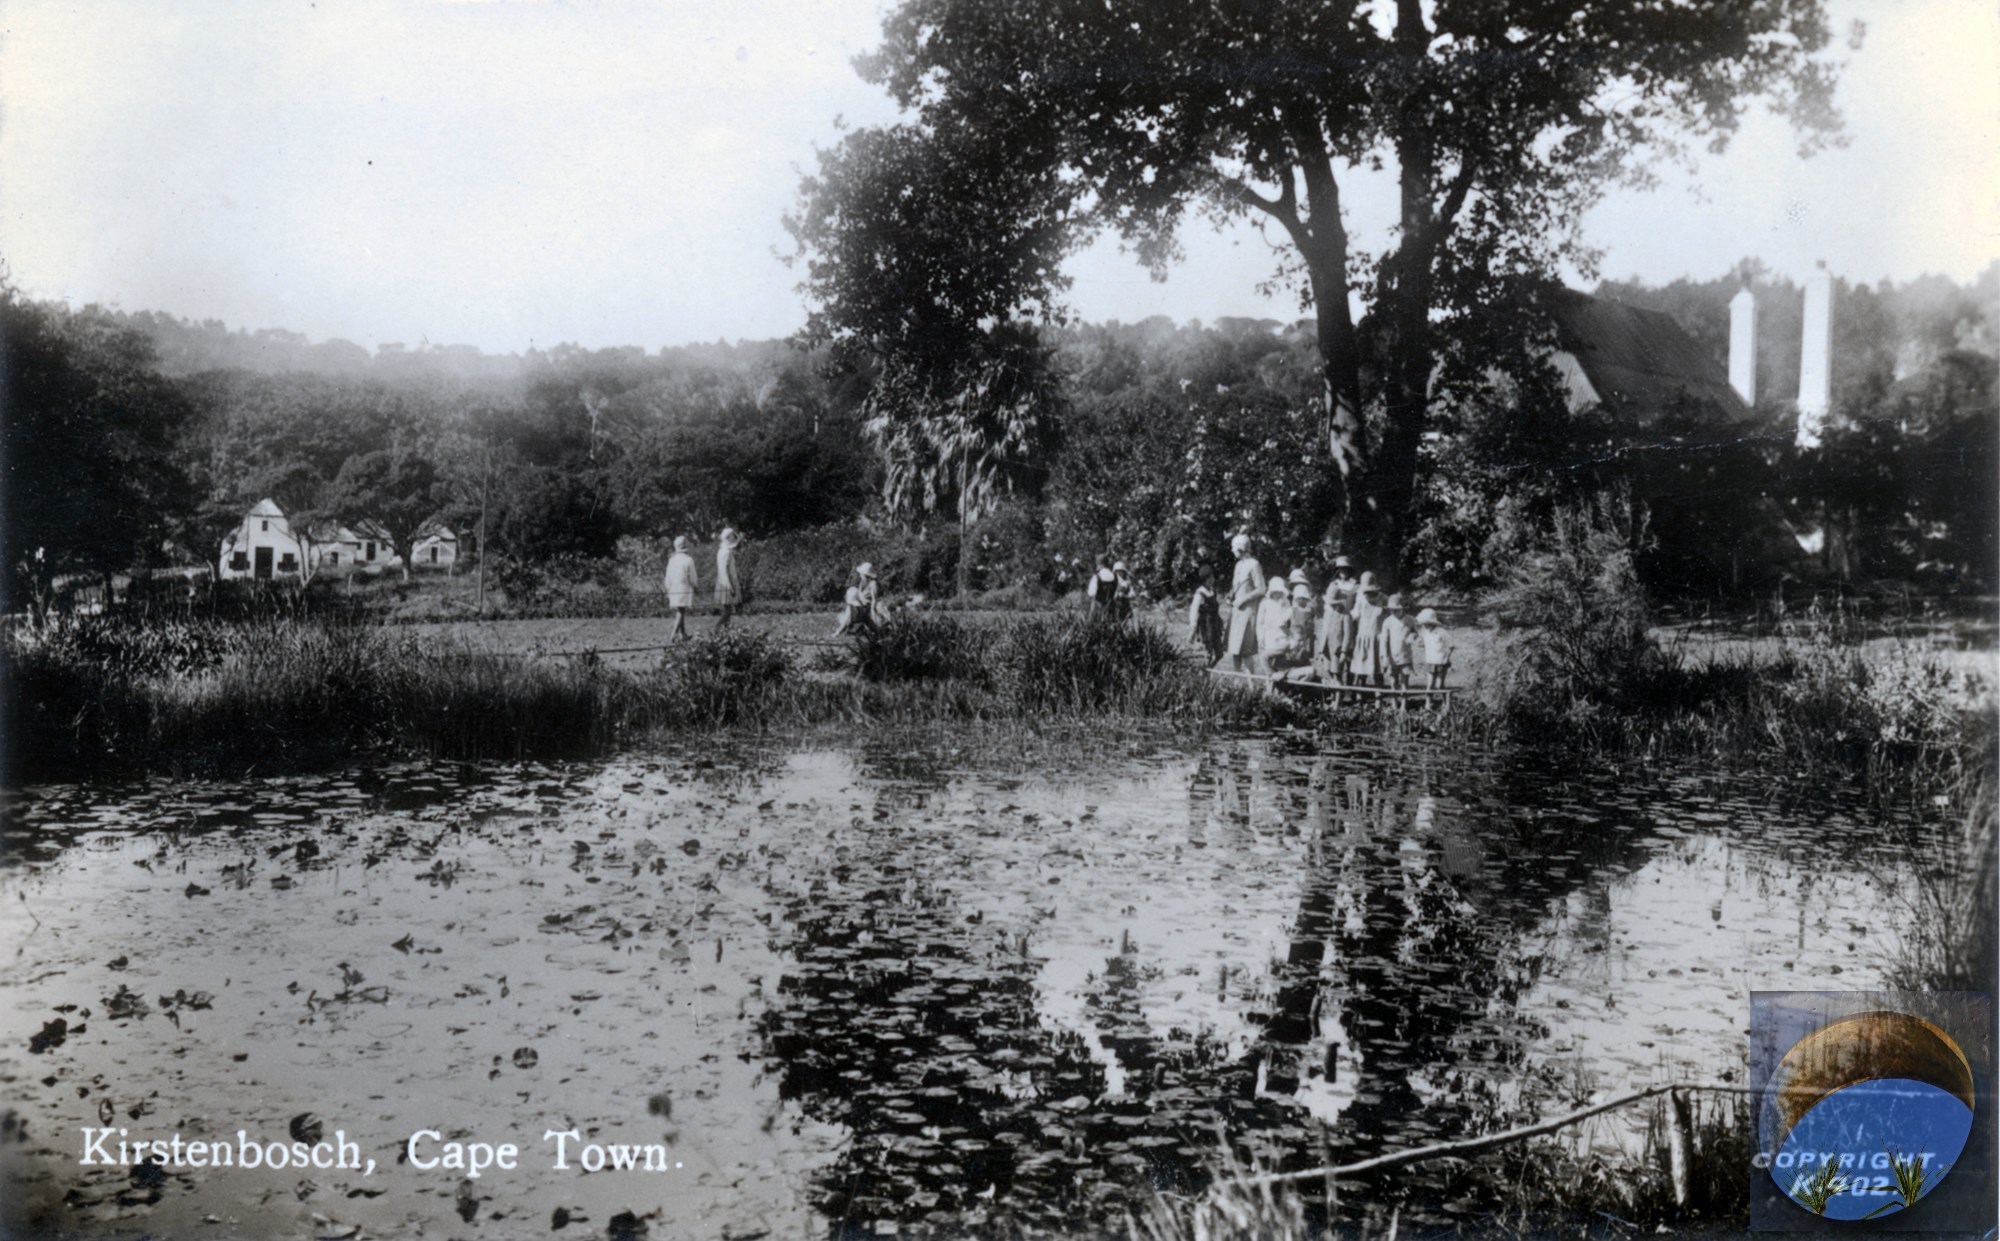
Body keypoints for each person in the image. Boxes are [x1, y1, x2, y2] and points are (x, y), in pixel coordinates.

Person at [1225, 534, 1264, 673]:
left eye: (1234, 547)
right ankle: (1237, 684)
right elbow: (1236, 587)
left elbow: (1261, 589)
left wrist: (1243, 599)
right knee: (1234, 649)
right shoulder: (1238, 565)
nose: (1232, 550)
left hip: (1248, 610)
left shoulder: (1254, 564)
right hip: (1236, 611)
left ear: (1241, 548)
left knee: (1246, 650)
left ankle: (1251, 685)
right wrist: (1230, 596)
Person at [1315, 575, 1356, 684]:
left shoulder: (1345, 615)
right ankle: (1332, 696)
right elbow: (1323, 631)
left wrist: (1344, 651)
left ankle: (1338, 699)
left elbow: (1348, 635)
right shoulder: (1328, 613)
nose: (1333, 606)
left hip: (1337, 650)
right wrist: (1320, 651)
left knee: (1337, 673)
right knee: (1328, 672)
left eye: (1335, 604)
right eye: (1331, 604)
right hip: (1327, 649)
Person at [1349, 572, 1386, 686]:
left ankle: (1379, 696)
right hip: (1363, 637)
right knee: (1361, 669)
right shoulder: (1360, 598)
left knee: (1377, 669)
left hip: (1377, 638)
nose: (1368, 594)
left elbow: (1390, 618)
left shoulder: (1383, 598)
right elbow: (1354, 615)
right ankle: (1360, 695)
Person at [1255, 576, 1295, 676]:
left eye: (1280, 592)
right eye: (1275, 592)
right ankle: (1269, 682)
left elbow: (1286, 619)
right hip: (1269, 634)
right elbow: (1260, 623)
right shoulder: (1265, 603)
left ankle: (1280, 685)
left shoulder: (1286, 602)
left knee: (1280, 661)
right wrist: (1260, 638)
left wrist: (1285, 609)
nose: (1278, 594)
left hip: (1281, 634)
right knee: (1268, 660)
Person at [1187, 568, 1225, 665]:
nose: (1212, 579)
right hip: (1206, 625)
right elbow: (1194, 610)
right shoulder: (1200, 593)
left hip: (1215, 624)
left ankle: (1209, 668)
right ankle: (1205, 673)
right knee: (1208, 652)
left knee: (1220, 654)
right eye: (1210, 577)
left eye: (1212, 577)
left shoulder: (1213, 591)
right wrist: (1193, 626)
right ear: (1205, 579)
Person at [663, 536, 698, 641]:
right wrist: (695, 586)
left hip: (674, 587)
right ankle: (673, 635)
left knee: (680, 609)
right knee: (681, 610)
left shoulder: (672, 560)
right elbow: (692, 576)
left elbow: (668, 576)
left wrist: (668, 587)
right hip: (683, 587)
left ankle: (683, 634)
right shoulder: (688, 560)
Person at [1379, 593, 1416, 689]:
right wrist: (1385, 656)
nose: (1394, 612)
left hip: (1405, 655)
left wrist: (1413, 636)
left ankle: (1404, 702)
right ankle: (1394, 702)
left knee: (1404, 681)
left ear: (1403, 608)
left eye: (1397, 610)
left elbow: (1416, 632)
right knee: (1393, 680)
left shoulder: (1410, 620)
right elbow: (1384, 640)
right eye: (1392, 610)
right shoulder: (1388, 622)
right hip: (1392, 657)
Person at [834, 562, 880, 637]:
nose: (860, 575)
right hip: (860, 605)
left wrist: (873, 610)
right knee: (849, 612)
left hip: (866, 607)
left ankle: (838, 632)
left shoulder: (873, 584)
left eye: (861, 573)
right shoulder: (862, 583)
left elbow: (874, 599)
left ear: (866, 574)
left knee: (849, 613)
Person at [1417, 607, 1454, 689]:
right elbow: (1424, 644)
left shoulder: (1441, 632)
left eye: (1427, 623)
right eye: (1423, 624)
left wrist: (1446, 657)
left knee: (1439, 685)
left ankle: (1445, 701)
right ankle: (1428, 701)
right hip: (1430, 661)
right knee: (1429, 684)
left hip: (1441, 662)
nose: (1425, 625)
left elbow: (1451, 645)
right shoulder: (1424, 633)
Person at [714, 527, 743, 630]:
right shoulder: (726, 553)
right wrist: (730, 587)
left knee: (728, 608)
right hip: (726, 582)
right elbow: (725, 572)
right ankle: (717, 628)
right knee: (728, 610)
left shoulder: (721, 551)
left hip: (723, 581)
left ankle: (726, 630)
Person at [1086, 553, 1120, 621]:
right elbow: (1118, 590)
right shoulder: (1115, 576)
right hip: (1111, 607)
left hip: (1098, 607)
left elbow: (1091, 593)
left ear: (1100, 564)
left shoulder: (1097, 577)